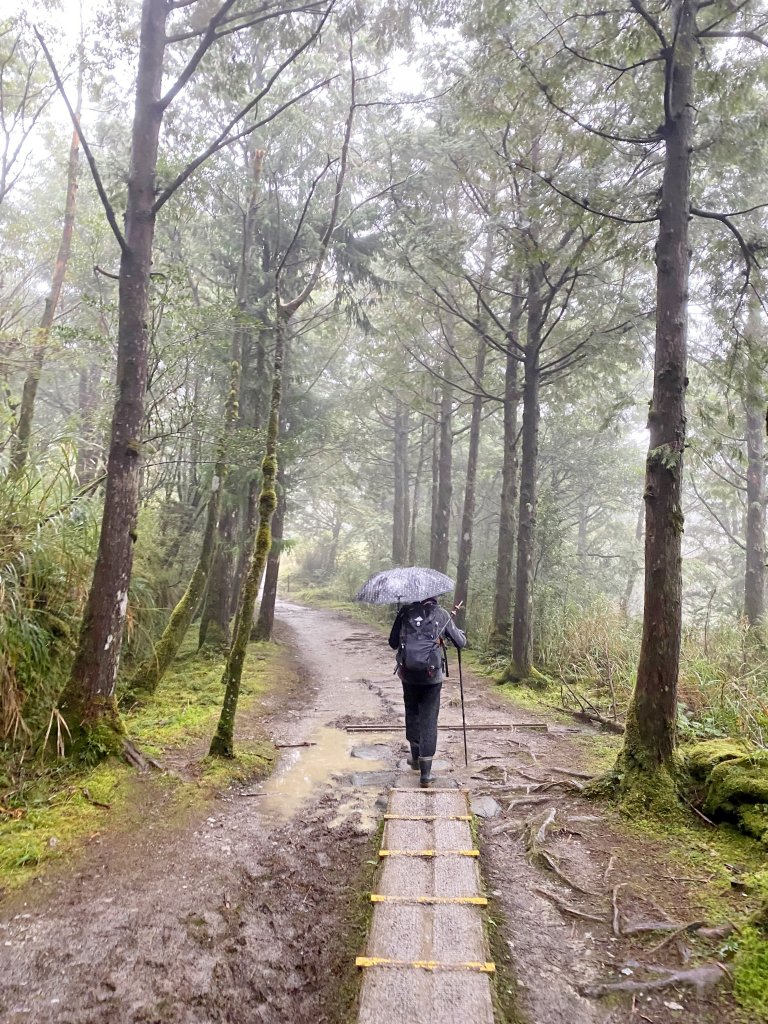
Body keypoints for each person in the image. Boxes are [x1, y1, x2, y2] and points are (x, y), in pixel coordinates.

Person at [388, 596, 466, 788]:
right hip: (432, 678)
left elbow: (392, 643)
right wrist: (456, 633)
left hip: (408, 675)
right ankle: (426, 774)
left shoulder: (405, 612)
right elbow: (460, 642)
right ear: (435, 597)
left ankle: (415, 757)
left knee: (412, 712)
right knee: (429, 719)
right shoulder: (442, 614)